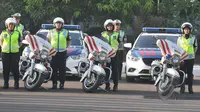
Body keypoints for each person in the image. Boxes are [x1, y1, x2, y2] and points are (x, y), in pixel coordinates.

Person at [47, 17, 71, 89]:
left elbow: (69, 41)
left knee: (62, 70)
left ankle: (61, 84)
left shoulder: (66, 32)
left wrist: (66, 47)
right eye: (57, 23)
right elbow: (48, 41)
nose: (58, 25)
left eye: (60, 23)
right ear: (54, 24)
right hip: (53, 53)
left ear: (62, 24)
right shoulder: (51, 32)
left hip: (62, 53)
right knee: (53, 69)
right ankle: (54, 84)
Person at [0, 18, 22, 89]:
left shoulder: (17, 33)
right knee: (6, 69)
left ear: (14, 25)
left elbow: (20, 42)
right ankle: (6, 83)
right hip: (5, 53)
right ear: (7, 25)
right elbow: (1, 41)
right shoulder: (3, 33)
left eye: (12, 25)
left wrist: (18, 47)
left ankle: (16, 83)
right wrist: (2, 46)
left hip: (15, 53)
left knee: (15, 68)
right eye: (10, 24)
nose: (11, 26)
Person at [177, 22, 198, 94]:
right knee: (182, 74)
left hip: (190, 59)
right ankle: (182, 88)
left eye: (188, 29)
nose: (187, 31)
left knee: (190, 74)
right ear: (183, 30)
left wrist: (191, 54)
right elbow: (177, 48)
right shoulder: (179, 38)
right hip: (182, 59)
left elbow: (195, 47)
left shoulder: (193, 38)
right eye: (185, 29)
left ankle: (190, 88)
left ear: (190, 30)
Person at [101, 19, 120, 91]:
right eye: (108, 26)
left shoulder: (116, 34)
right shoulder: (103, 34)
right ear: (106, 27)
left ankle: (115, 85)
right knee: (106, 69)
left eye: (111, 26)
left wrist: (117, 49)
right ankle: (107, 84)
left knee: (115, 70)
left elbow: (120, 44)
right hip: (106, 54)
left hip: (114, 54)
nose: (110, 27)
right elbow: (100, 43)